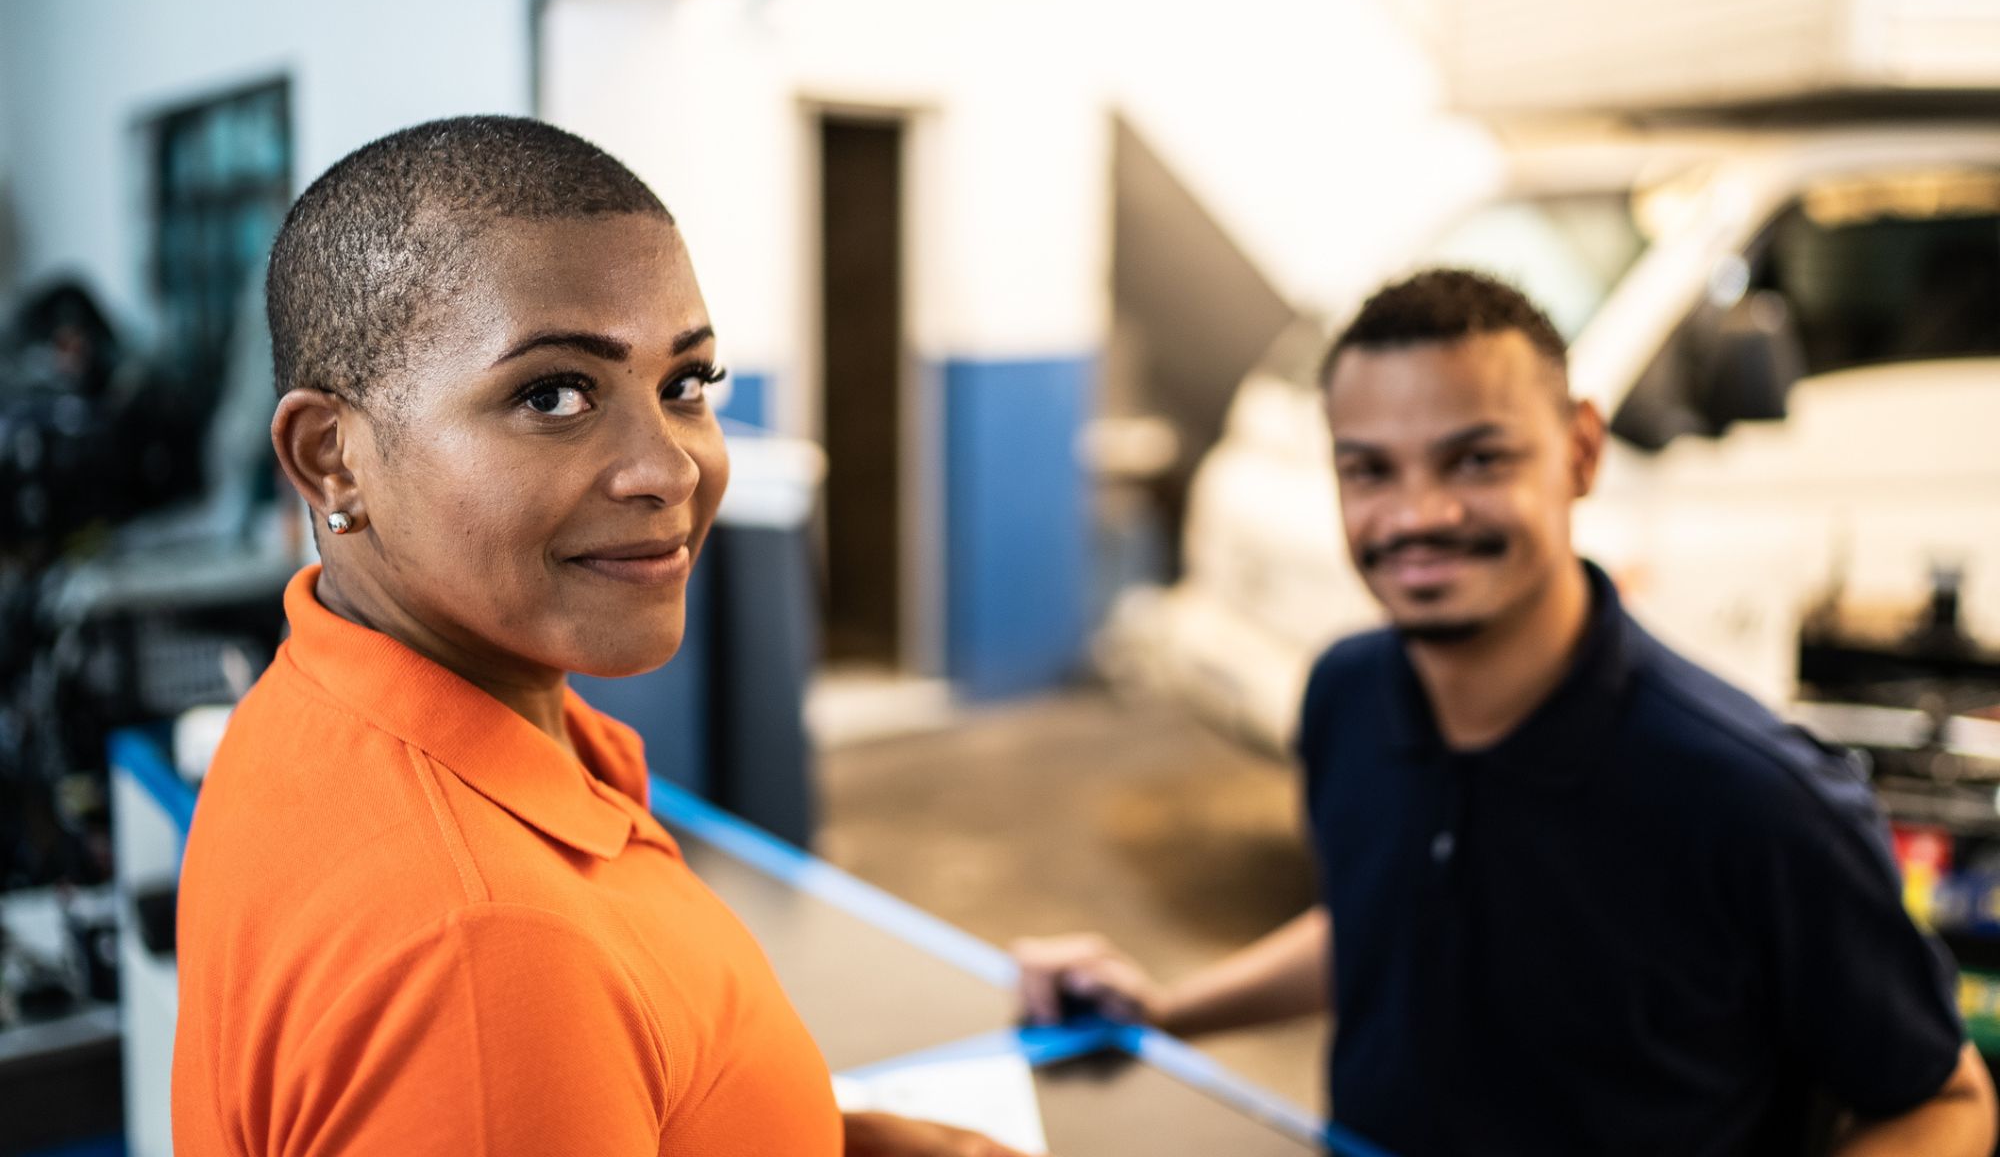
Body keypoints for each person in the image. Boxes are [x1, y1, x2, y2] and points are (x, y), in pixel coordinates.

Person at [173, 116, 1027, 1157]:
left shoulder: (323, 708)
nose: (667, 469)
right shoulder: (487, 950)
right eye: (552, 394)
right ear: (331, 457)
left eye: (684, 386)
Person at [1016, 268, 1996, 1154]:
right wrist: (1163, 1009)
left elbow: (1943, 1102)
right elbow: (1382, 918)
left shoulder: (1754, 795)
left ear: (1577, 452)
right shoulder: (1344, 696)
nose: (1415, 515)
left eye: (1474, 460)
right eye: (1368, 470)